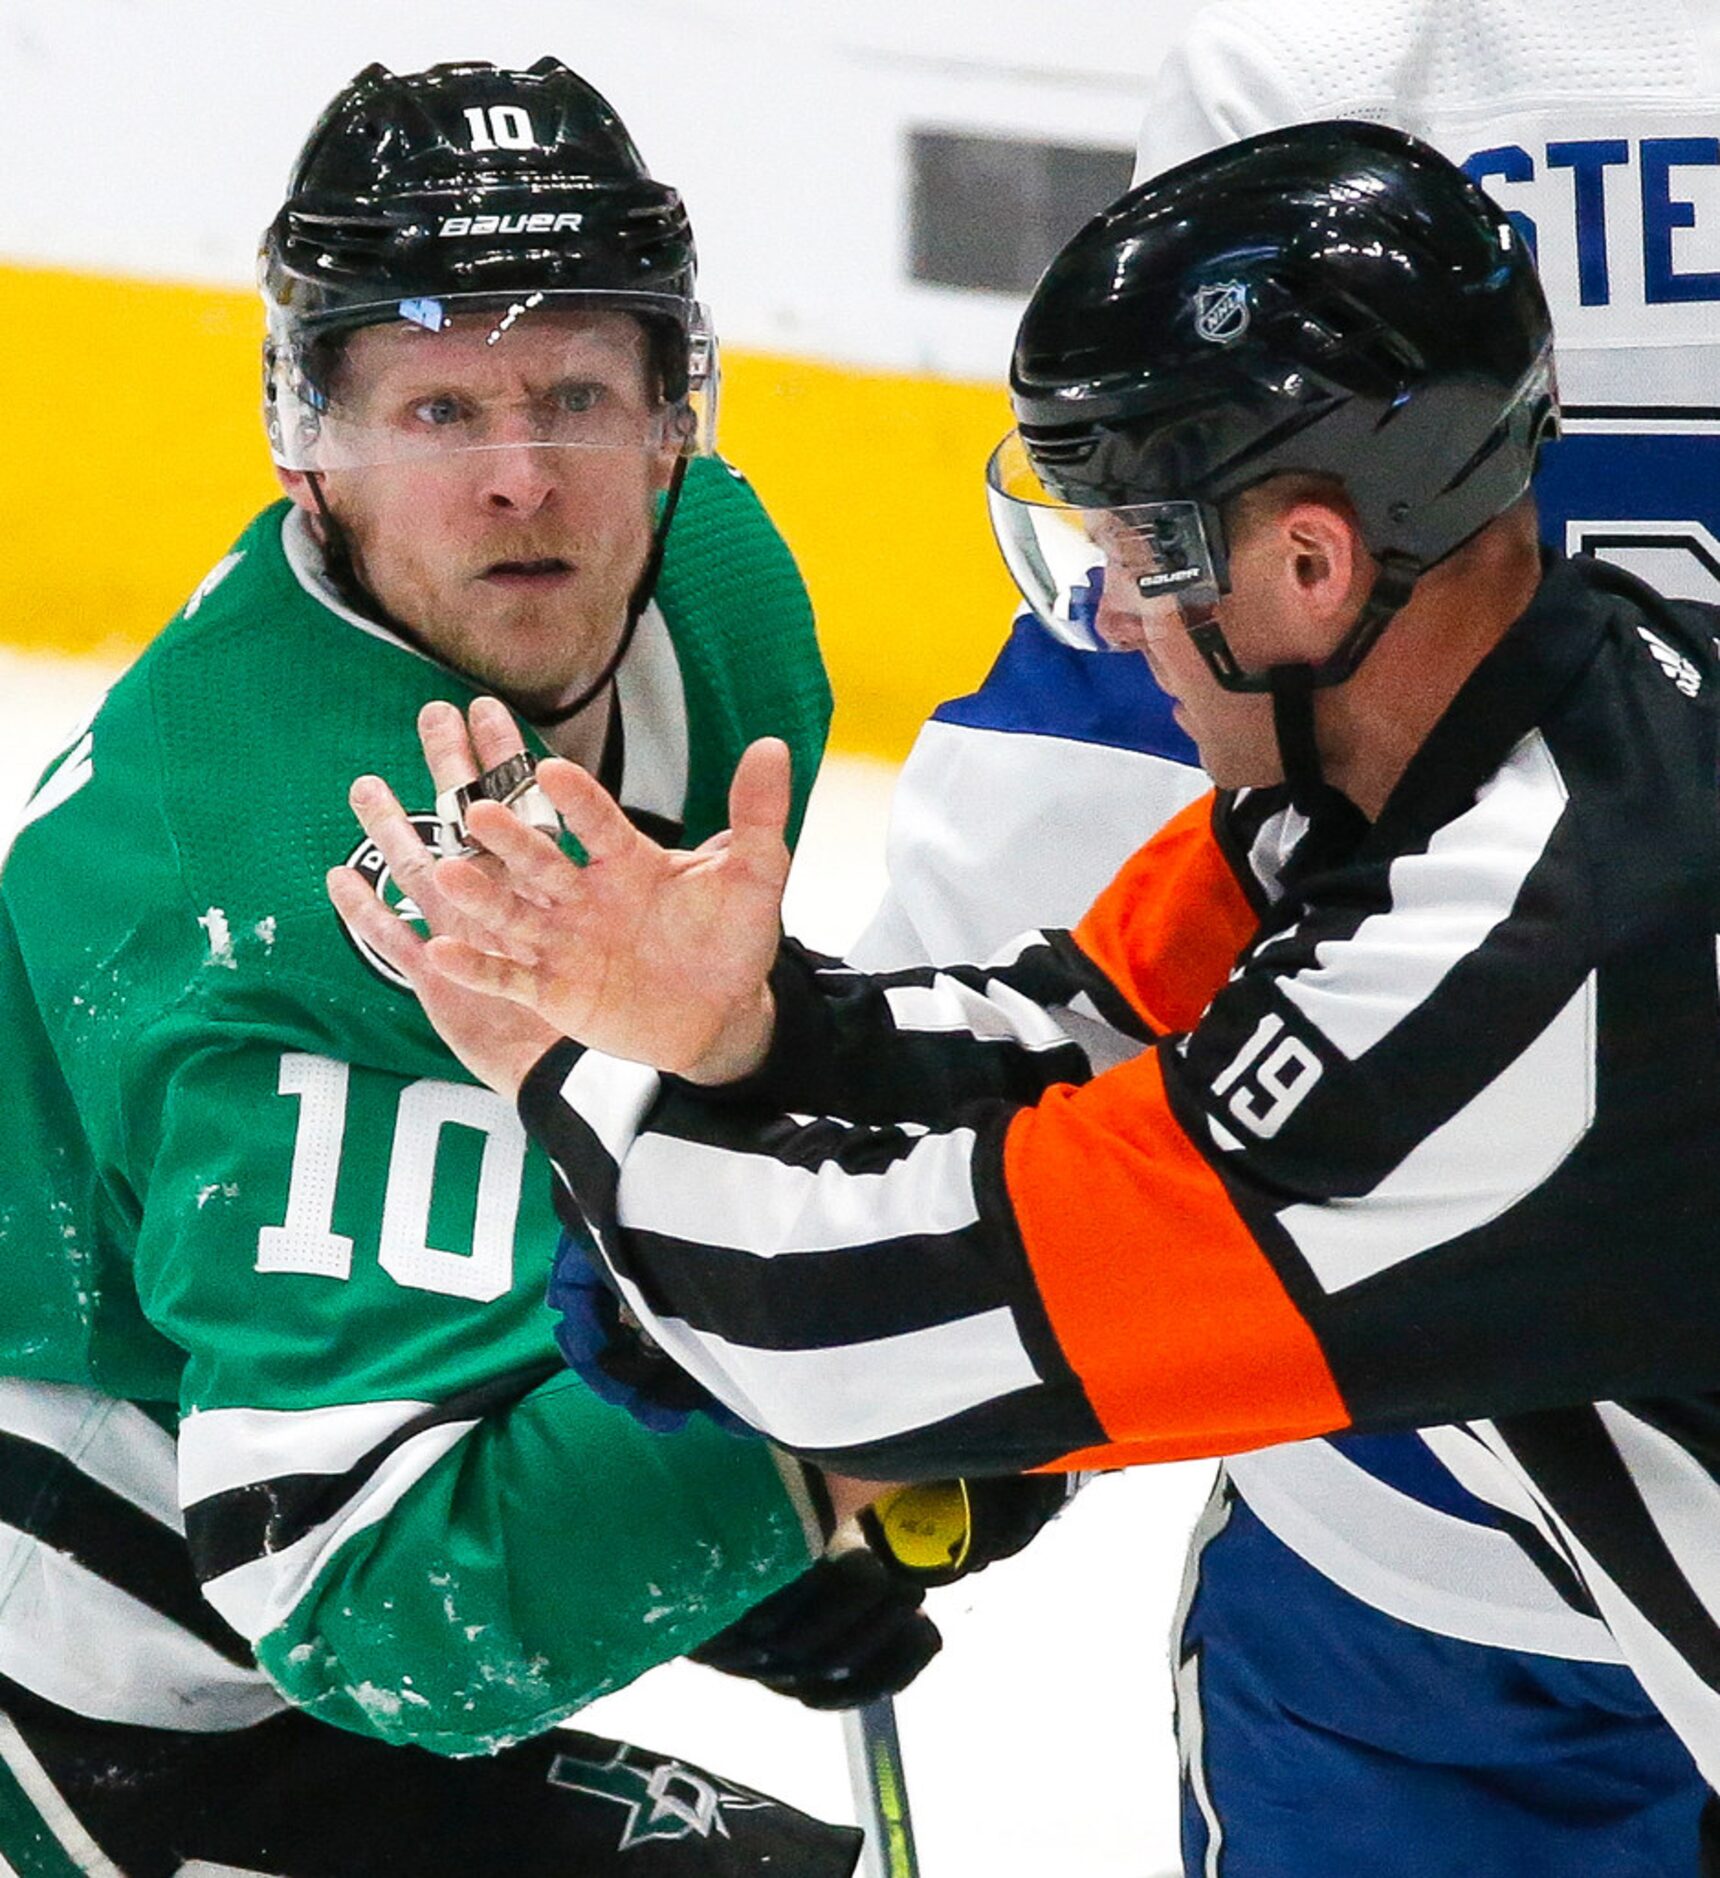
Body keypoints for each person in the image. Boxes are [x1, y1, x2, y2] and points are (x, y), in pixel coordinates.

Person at [338, 122, 1720, 1873]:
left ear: (1309, 567)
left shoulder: (1520, 967)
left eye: (1142, 547)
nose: (1116, 620)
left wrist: (570, 1065)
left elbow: (859, 1343)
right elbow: (1074, 1037)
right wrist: (744, 1031)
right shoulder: (1524, 730)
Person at [0, 53, 967, 1878]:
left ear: (679, 408)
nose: (527, 481)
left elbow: (616, 1112)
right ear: (316, 439)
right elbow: (367, 1598)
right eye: (440, 408)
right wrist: (804, 1464)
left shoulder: (722, 601)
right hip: (103, 1668)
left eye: (578, 393)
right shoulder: (294, 896)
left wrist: (726, 1439)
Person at [850, 5, 1720, 1873]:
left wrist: (890, 1308)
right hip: (1422, 1482)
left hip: (1400, 1399)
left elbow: (1146, 646)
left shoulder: (1335, 56)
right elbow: (1163, 606)